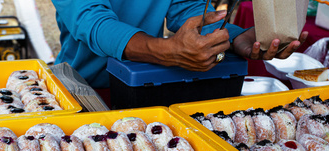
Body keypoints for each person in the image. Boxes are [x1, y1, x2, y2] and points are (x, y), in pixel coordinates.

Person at [51, 0, 308, 88]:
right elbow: (91, 21)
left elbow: (186, 9)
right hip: (83, 88)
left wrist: (233, 36)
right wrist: (166, 52)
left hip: (144, 86)